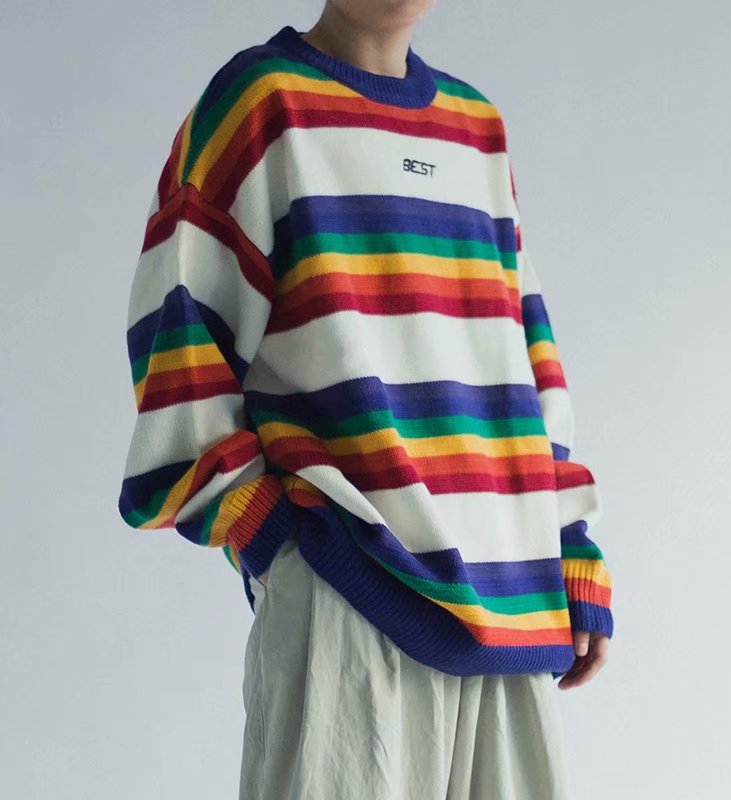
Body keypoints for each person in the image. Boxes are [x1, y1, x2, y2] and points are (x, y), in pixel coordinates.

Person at [117, 2, 614, 797]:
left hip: (516, 607)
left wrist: (568, 542)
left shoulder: (477, 129)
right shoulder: (261, 105)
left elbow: (522, 358)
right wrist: (272, 534)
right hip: (348, 587)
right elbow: (177, 332)